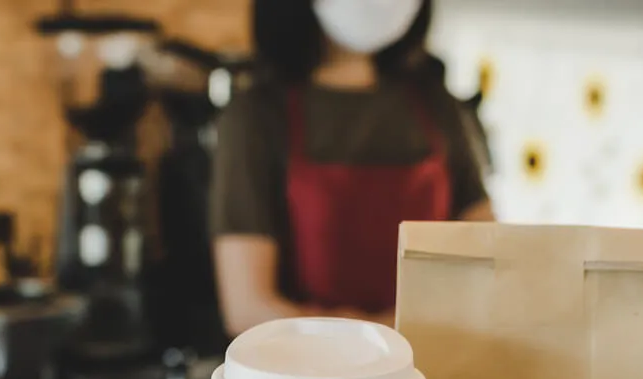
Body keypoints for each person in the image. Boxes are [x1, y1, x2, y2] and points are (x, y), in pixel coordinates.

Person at [210, 0, 495, 336]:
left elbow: (491, 261)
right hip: (315, 375)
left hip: (436, 369)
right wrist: (378, 337)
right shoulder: (255, 117)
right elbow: (248, 308)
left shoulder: (439, 106)